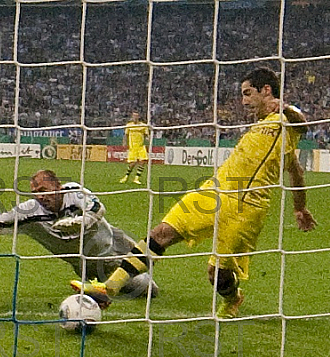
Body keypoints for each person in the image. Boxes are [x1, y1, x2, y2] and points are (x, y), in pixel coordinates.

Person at [72, 67, 317, 319]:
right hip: (213, 192)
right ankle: (108, 288)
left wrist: (284, 107)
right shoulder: (259, 129)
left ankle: (233, 298)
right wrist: (300, 207)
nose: (243, 101)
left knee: (218, 275)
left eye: (247, 93)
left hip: (246, 207)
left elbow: (303, 124)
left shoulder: (285, 122)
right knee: (161, 232)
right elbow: (296, 171)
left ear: (266, 90)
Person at [0, 170, 158, 298]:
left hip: (115, 243)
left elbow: (97, 208)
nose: (39, 196)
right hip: (90, 265)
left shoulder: (74, 191)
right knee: (147, 289)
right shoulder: (31, 211)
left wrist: (81, 222)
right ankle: (100, 286)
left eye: (43, 190)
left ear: (58, 187)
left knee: (150, 267)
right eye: (35, 192)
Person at [119, 112, 150, 185]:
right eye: (134, 116)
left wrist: (148, 139)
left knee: (143, 161)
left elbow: (146, 135)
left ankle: (136, 178)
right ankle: (126, 177)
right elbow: (126, 135)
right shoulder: (129, 125)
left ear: (139, 117)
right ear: (132, 117)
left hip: (141, 146)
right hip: (133, 147)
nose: (135, 117)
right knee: (132, 163)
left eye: (136, 116)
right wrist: (124, 142)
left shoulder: (143, 125)